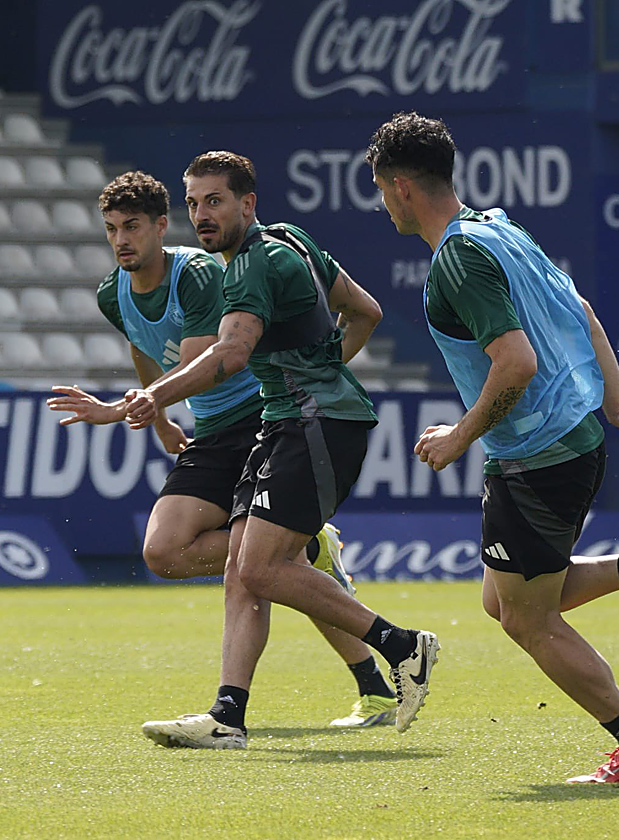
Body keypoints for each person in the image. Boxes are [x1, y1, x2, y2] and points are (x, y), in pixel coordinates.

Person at [365, 111, 619, 783]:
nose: (383, 204)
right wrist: (617, 409)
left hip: (537, 457)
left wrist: (457, 436)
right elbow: (583, 313)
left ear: (400, 187)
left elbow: (516, 363)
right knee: (502, 600)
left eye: (381, 190)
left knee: (526, 621)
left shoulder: (458, 259)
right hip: (569, 440)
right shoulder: (498, 228)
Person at [47, 171, 398, 731]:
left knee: (256, 567)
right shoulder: (112, 293)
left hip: (257, 418)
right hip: (210, 431)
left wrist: (123, 408)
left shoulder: (199, 273)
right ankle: (309, 553)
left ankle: (347, 688)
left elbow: (202, 362)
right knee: (165, 554)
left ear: (161, 227)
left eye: (132, 227)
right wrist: (161, 420)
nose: (121, 240)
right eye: (111, 229)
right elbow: (144, 352)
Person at [127, 152, 441, 747]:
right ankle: (227, 717)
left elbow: (229, 354)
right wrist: (325, 367)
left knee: (260, 568)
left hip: (313, 425)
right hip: (292, 421)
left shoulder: (250, 264)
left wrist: (154, 396)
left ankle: (402, 645)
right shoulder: (292, 239)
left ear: (247, 203)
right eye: (192, 203)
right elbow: (366, 311)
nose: (201, 214)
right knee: (243, 571)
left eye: (214, 201)